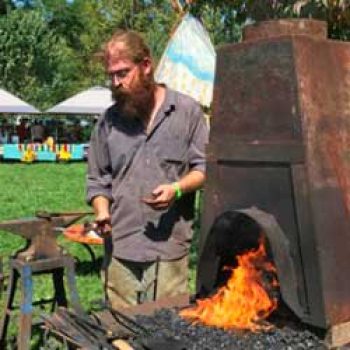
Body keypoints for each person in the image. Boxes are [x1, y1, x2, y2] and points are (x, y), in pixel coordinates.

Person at [86, 30, 208, 309]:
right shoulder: (108, 122)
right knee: (121, 329)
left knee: (166, 331)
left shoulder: (187, 112)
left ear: (146, 66)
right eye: (111, 75)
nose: (116, 83)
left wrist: (177, 188)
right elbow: (97, 180)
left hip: (169, 250)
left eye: (123, 73)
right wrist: (102, 212)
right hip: (121, 247)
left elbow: (203, 168)